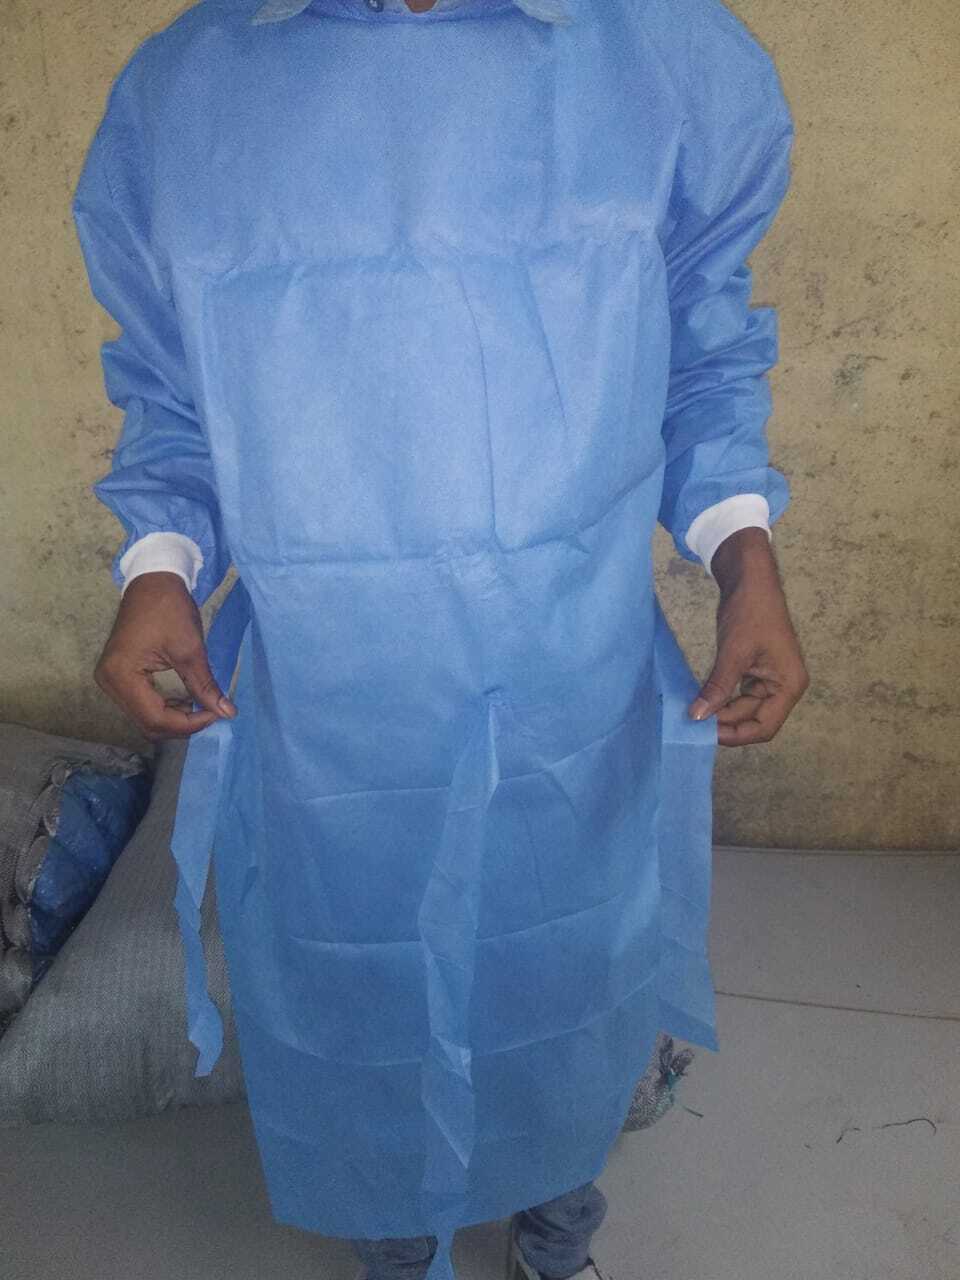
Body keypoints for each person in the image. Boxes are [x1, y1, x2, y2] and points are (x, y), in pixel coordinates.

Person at [72, 1, 808, 1277]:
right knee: (359, 967)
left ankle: (556, 1235)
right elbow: (173, 389)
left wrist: (746, 556)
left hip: (567, 657)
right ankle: (395, 1242)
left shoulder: (659, 58)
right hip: (339, 674)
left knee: (562, 961)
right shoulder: (190, 95)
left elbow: (703, 347)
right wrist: (160, 563)